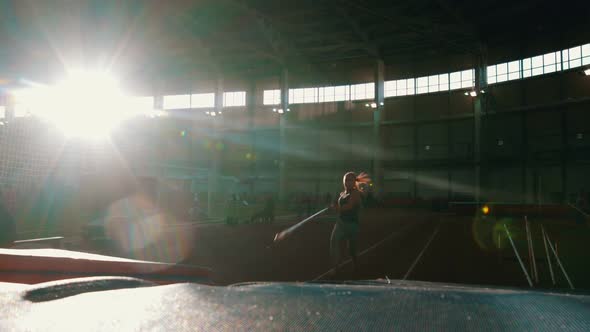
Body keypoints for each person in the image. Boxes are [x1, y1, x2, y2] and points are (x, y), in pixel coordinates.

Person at [329, 172, 371, 271]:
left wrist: (336, 208)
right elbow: (339, 205)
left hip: (352, 225)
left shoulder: (355, 193)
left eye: (350, 180)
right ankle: (335, 266)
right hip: (341, 223)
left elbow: (349, 206)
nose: (347, 182)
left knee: (351, 250)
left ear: (354, 182)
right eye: (346, 180)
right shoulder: (343, 193)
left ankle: (356, 263)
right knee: (334, 241)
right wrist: (333, 206)